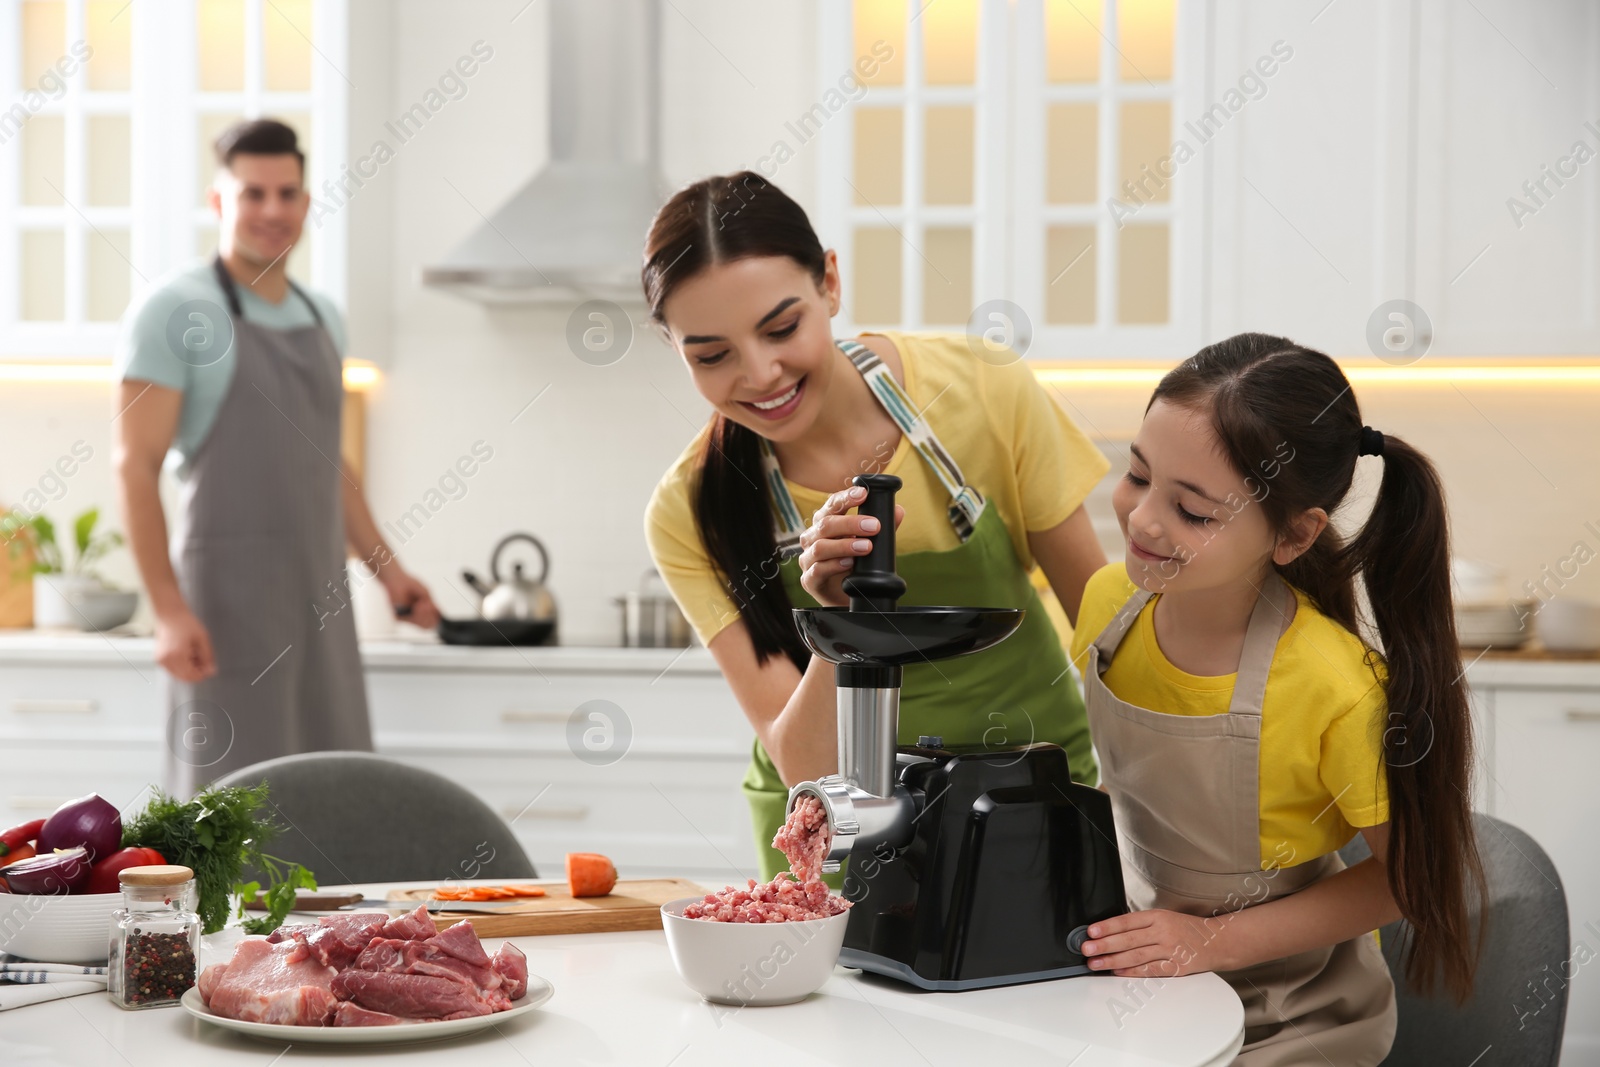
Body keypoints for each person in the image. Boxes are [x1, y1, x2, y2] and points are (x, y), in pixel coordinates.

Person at [642, 172, 1110, 879]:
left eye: (782, 327)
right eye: (711, 355)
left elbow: (1112, 639)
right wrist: (839, 625)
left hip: (1027, 792)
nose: (762, 373)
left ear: (829, 282)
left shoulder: (982, 388)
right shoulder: (690, 508)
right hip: (833, 830)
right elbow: (805, 764)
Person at [1068, 333, 1485, 1064]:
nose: (1140, 520)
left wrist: (1211, 940)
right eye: (1137, 474)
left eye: (1192, 512)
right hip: (1155, 985)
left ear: (1294, 534)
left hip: (1296, 1016)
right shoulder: (1110, 605)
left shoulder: (1334, 687)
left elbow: (1407, 882)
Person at [113, 119, 439, 796]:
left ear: (307, 201)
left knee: (338, 801)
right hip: (226, 611)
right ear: (218, 202)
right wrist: (169, 610)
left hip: (320, 602)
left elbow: (329, 464)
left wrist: (390, 571)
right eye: (252, 193)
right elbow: (134, 465)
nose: (272, 210)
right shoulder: (174, 310)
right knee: (232, 810)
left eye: (287, 192)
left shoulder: (324, 316)